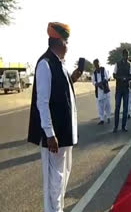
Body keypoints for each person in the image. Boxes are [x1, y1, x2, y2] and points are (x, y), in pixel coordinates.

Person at [27, 22, 82, 212]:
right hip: (55, 137)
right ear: (58, 41)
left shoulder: (60, 64)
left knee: (62, 179)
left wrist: (73, 78)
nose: (68, 45)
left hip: (64, 135)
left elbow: (61, 93)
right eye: (66, 41)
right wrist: (50, 134)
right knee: (54, 182)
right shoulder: (46, 64)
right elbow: (42, 102)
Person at [113, 49, 131, 133]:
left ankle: (123, 126)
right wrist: (121, 78)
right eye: (125, 55)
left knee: (125, 108)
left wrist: (126, 78)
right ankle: (115, 127)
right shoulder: (117, 64)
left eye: (127, 55)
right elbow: (114, 75)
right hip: (118, 89)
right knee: (117, 107)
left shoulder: (129, 65)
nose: (126, 56)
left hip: (126, 89)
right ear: (122, 55)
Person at [92, 59, 111, 125]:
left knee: (107, 105)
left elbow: (107, 78)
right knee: (100, 106)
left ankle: (108, 117)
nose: (97, 65)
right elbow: (93, 82)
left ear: (99, 64)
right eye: (95, 64)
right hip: (98, 92)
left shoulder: (103, 69)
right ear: (94, 65)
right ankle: (102, 119)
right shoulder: (94, 73)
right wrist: (97, 84)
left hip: (105, 90)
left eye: (97, 64)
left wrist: (101, 83)